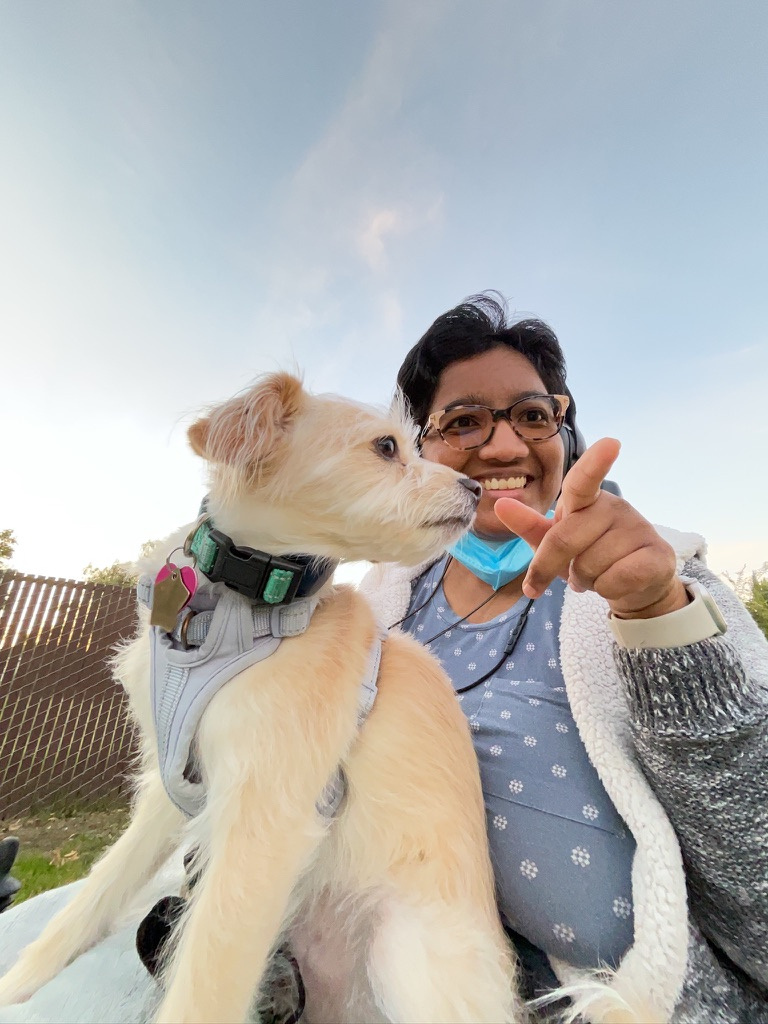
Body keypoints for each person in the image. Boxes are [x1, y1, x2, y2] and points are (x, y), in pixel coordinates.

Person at [360, 294, 768, 1023]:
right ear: (419, 447)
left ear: (564, 432)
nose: (507, 448)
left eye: (532, 415)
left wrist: (655, 619)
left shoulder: (657, 579)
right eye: (462, 422)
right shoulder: (384, 604)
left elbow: (754, 851)